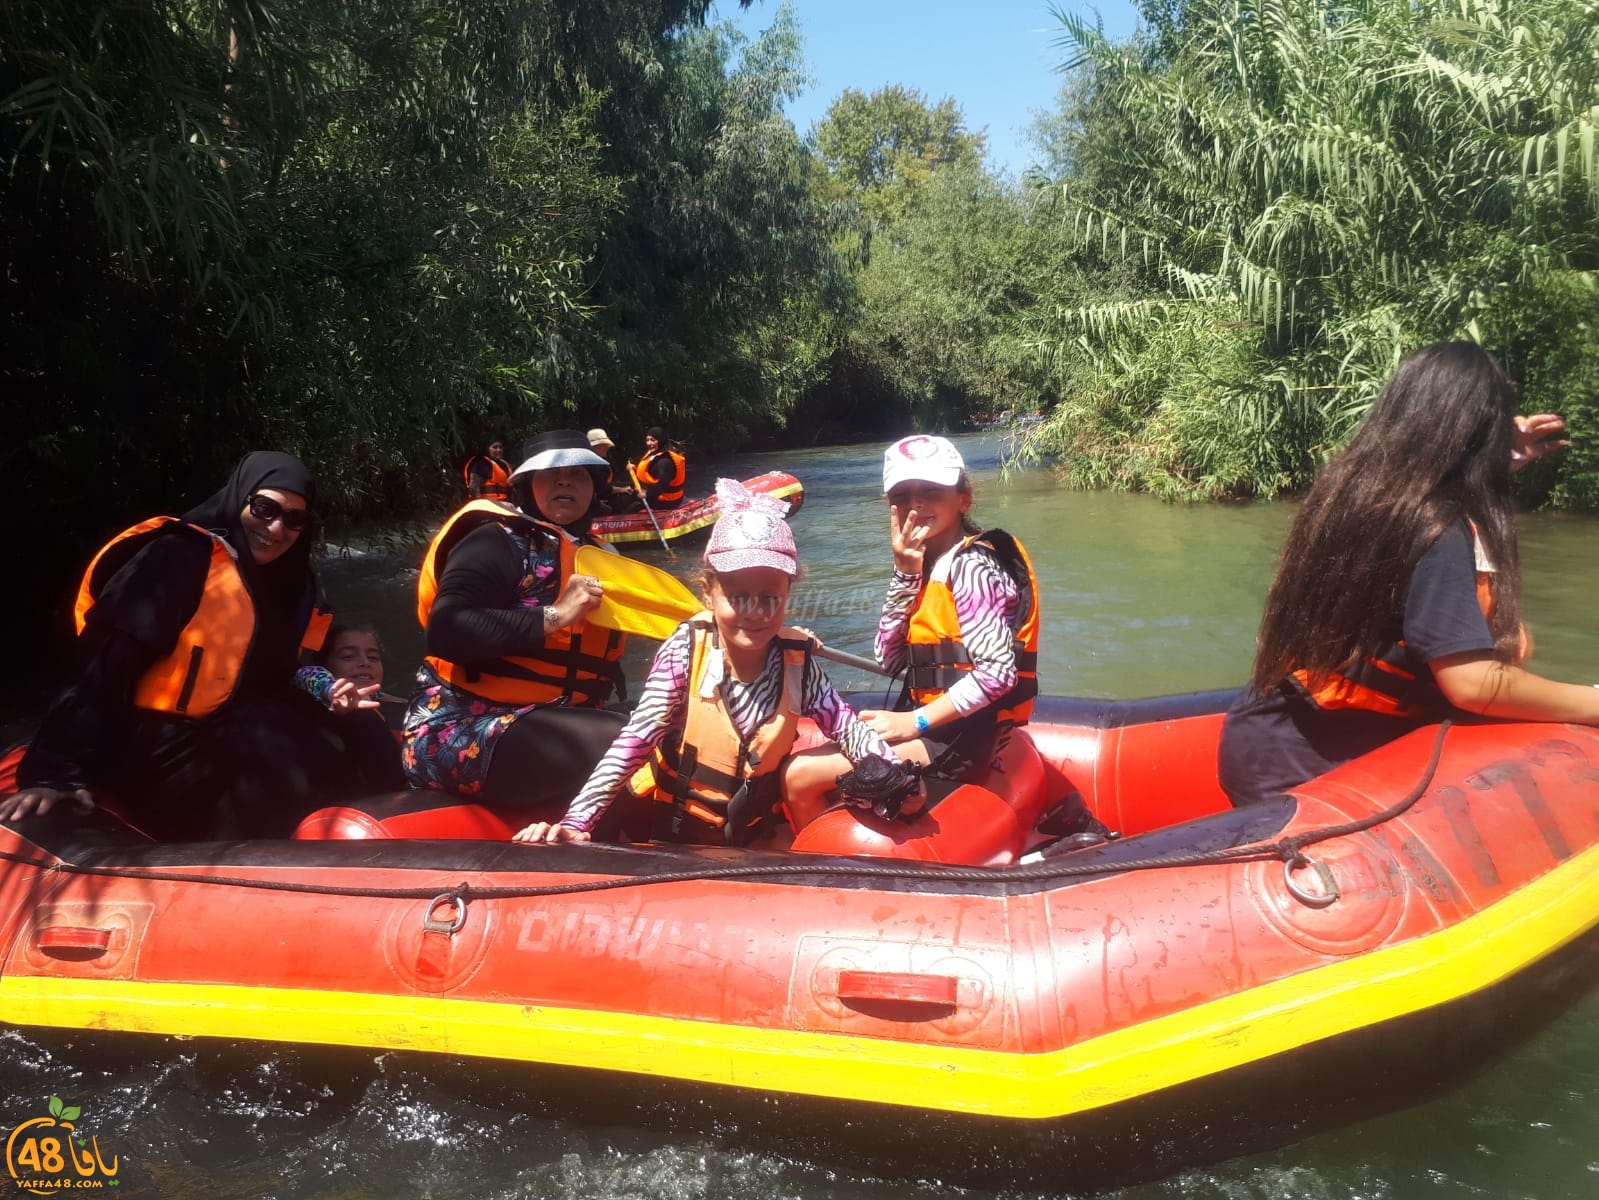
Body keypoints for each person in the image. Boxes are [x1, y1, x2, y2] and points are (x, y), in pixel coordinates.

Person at [1217, 340, 1595, 806]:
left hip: (1268, 738)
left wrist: (1492, 462)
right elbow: (1473, 682)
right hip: (1307, 772)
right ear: (1478, 432)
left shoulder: (1358, 492)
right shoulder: (1439, 530)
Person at [0, 452, 384, 840]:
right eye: (265, 508)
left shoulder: (290, 583)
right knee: (277, 773)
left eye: (294, 518)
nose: (276, 527)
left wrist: (327, 692)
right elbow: (104, 661)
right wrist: (52, 772)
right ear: (239, 499)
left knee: (361, 730)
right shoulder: (178, 557)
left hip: (231, 723)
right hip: (149, 738)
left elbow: (280, 672)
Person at [513, 478, 911, 846]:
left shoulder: (798, 663)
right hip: (668, 834)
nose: (755, 612)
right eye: (737, 597)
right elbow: (636, 739)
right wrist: (577, 822)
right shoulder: (685, 651)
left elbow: (846, 727)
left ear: (788, 594)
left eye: (770, 598)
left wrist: (894, 774)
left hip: (748, 835)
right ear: (708, 593)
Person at [780, 435, 1041, 828]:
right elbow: (890, 657)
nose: (915, 505)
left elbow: (997, 674)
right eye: (902, 495)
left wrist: (913, 723)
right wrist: (904, 572)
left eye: (931, 492)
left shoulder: (972, 568)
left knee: (798, 776)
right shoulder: (925, 565)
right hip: (940, 727)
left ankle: (812, 870)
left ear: (963, 500)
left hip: (962, 737)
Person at [405, 429, 630, 814]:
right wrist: (556, 615)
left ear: (594, 488)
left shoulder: (602, 556)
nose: (565, 481)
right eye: (551, 474)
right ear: (528, 486)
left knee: (668, 722)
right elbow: (446, 630)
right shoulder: (492, 541)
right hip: (459, 729)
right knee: (627, 743)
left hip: (559, 719)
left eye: (578, 474)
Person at [587, 427, 640, 515]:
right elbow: (603, 491)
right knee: (630, 496)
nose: (607, 447)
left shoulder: (593, 461)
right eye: (604, 445)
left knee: (628, 487)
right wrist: (622, 490)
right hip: (593, 503)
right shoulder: (596, 465)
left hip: (594, 498)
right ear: (596, 446)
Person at [630, 426, 687, 510]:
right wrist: (633, 467)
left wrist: (645, 494)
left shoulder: (665, 462)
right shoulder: (655, 454)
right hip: (653, 495)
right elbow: (649, 472)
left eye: (652, 440)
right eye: (647, 440)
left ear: (660, 441)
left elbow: (662, 486)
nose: (648, 443)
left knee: (628, 502)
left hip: (666, 502)